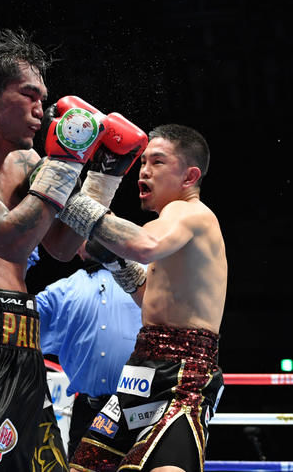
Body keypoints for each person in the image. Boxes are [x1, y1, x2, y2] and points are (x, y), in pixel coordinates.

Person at [0, 28, 148, 470]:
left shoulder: (28, 163)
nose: (43, 111)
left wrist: (104, 175)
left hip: (26, 341)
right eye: (30, 95)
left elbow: (61, 246)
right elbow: (11, 240)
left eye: (44, 98)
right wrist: (67, 161)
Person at [57, 124, 228, 472]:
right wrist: (116, 264)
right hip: (141, 370)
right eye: (143, 161)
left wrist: (70, 199)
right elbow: (152, 300)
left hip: (183, 374)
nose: (144, 171)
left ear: (189, 176)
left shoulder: (189, 212)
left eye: (158, 162)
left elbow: (143, 246)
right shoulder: (172, 228)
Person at [36, 242, 143, 459]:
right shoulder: (61, 291)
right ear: (77, 247)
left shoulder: (148, 278)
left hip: (138, 409)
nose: (95, 237)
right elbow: (19, 320)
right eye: (85, 233)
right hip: (88, 412)